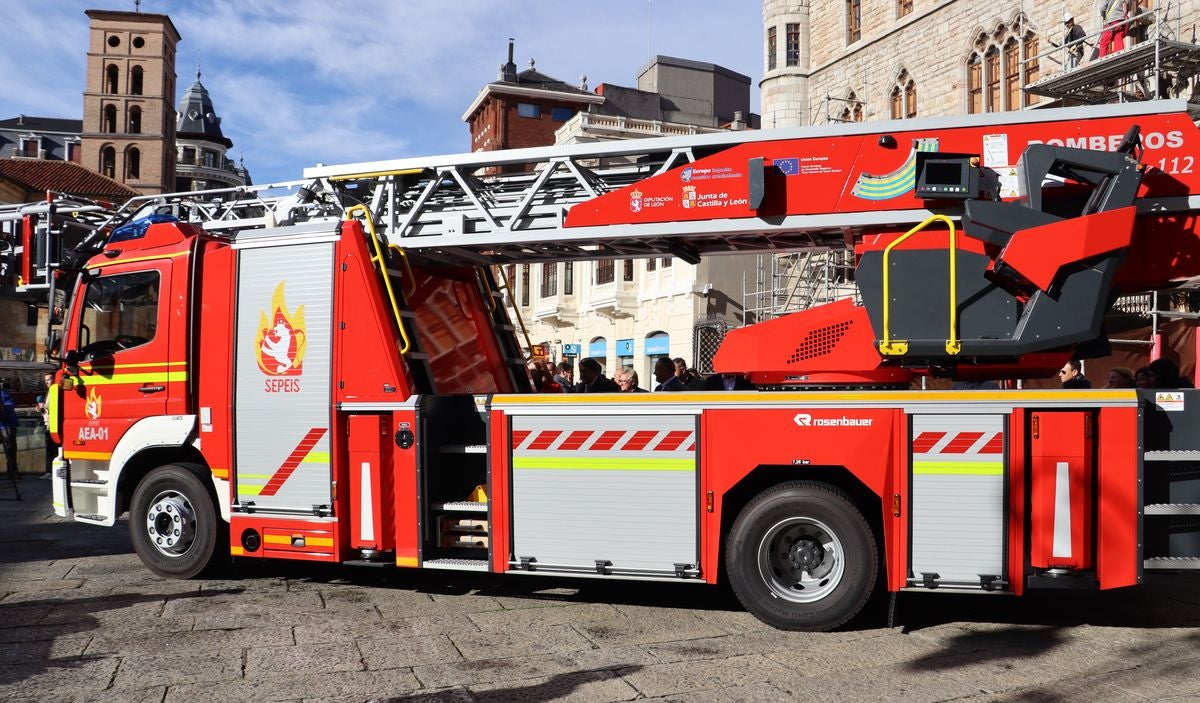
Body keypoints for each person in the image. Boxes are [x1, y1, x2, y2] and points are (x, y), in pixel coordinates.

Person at [0, 379, 19, 480]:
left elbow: (10, 404)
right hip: (4, 424)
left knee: (10, 449)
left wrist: (2, 408)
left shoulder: (3, 393)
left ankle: (12, 471)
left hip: (7, 424)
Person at [38, 372, 55, 479]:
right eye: (45, 381)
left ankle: (52, 472)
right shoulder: (49, 391)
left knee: (53, 448)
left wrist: (44, 407)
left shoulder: (55, 390)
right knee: (49, 448)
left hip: (53, 424)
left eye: (49, 379)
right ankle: (49, 471)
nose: (47, 382)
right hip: (48, 422)